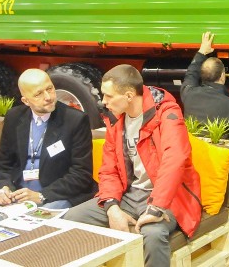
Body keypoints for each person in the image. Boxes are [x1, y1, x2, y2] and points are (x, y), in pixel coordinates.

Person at [65, 64, 201, 267]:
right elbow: (108, 169)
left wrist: (156, 207)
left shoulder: (166, 113)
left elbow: (174, 160)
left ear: (129, 95)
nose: (104, 102)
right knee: (72, 218)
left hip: (169, 197)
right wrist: (111, 207)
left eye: (109, 96)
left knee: (153, 235)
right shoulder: (115, 120)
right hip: (129, 195)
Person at [0, 69, 97, 210]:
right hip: (15, 191)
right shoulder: (14, 117)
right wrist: (3, 188)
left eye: (50, 89)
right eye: (39, 94)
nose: (48, 97)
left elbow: (81, 174)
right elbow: (2, 166)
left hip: (53, 194)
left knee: (35, 222)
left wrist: (41, 195)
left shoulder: (75, 120)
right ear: (26, 101)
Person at [180, 31, 229, 139]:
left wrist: (202, 51)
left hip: (194, 151)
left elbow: (191, 74)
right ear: (222, 76)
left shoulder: (189, 95)